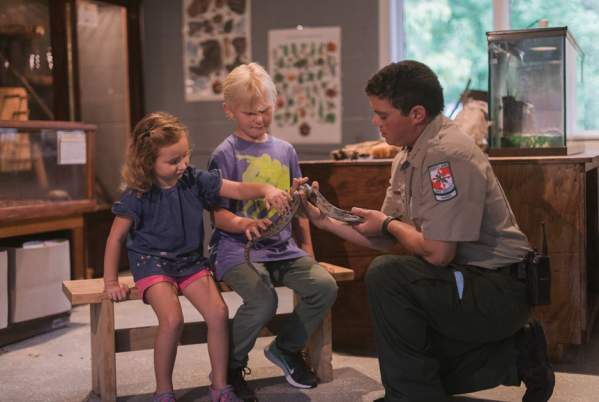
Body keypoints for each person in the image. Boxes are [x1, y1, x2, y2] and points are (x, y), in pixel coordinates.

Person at [300, 60, 555, 402]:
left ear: (416, 113)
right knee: (418, 364)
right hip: (465, 279)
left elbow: (437, 252)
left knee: (388, 277)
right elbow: (385, 238)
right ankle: (518, 355)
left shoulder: (445, 156)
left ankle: (409, 396)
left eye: (383, 114)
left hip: (500, 288)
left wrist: (388, 222)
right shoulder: (407, 155)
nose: (376, 122)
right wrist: (325, 221)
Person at [103, 111, 291, 402]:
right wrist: (111, 281)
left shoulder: (193, 179)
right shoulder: (137, 194)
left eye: (185, 155)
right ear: (147, 161)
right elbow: (115, 238)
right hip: (152, 262)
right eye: (173, 160)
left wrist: (265, 189)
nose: (183, 165)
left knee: (217, 313)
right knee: (172, 320)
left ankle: (219, 385)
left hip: (189, 261)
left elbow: (236, 188)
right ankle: (163, 390)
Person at [208, 62, 338, 401]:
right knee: (263, 300)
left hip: (283, 248)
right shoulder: (225, 153)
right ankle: (230, 365)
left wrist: (308, 250)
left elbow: (299, 210)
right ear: (229, 111)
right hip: (237, 248)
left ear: (275, 105)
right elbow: (219, 216)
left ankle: (286, 348)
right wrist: (245, 225)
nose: (259, 119)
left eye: (265, 111)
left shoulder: (286, 151)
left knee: (324, 286)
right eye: (249, 113)